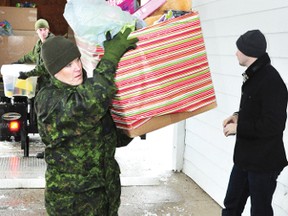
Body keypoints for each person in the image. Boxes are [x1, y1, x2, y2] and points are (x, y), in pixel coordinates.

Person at [34, 29, 138, 215]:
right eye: (67, 65)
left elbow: (111, 138)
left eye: (77, 60)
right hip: (73, 203)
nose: (76, 68)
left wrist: (138, 121)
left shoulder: (86, 89)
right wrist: (111, 58)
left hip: (104, 196)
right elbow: (88, 103)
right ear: (54, 71)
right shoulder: (49, 101)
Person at [222, 29, 288, 216]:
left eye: (238, 49)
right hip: (245, 158)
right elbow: (255, 110)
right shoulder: (254, 75)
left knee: (260, 211)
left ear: (248, 52)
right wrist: (237, 116)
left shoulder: (271, 81)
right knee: (231, 206)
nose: (236, 53)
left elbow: (273, 125)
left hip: (264, 162)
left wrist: (238, 128)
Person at [14, 18, 54, 159]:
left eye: (45, 29)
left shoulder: (52, 44)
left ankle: (52, 150)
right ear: (36, 32)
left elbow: (45, 67)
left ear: (48, 30)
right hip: (43, 88)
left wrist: (27, 74)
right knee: (42, 118)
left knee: (50, 120)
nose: (43, 32)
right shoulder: (38, 45)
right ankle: (49, 148)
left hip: (54, 88)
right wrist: (16, 63)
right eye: (40, 30)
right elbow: (30, 56)